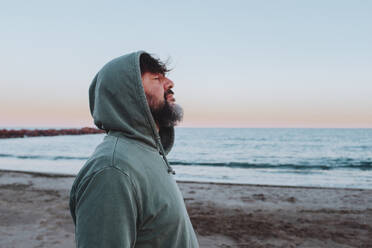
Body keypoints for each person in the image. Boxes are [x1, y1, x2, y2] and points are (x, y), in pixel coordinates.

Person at [69, 51, 199, 247]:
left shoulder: (148, 153)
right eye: (156, 78)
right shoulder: (112, 170)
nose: (170, 83)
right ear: (129, 93)